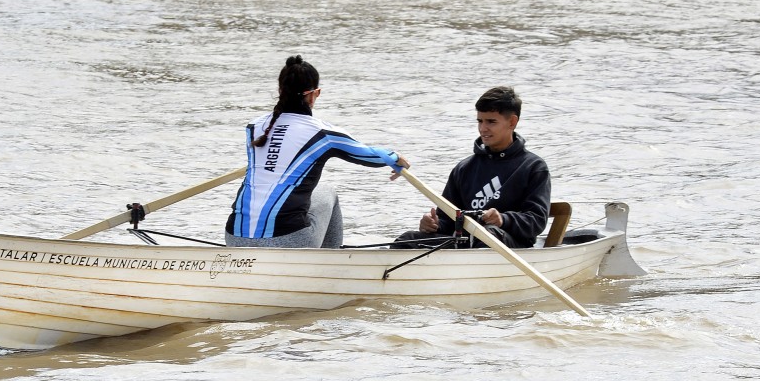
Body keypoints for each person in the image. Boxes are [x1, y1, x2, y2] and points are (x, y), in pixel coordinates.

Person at [226, 55, 410, 249]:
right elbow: (368, 155)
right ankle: (330, 265)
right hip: (289, 240)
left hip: (234, 238)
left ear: (280, 90)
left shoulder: (254, 128)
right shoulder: (323, 134)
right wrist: (395, 158)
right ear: (314, 94)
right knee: (328, 193)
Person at [394, 86, 550, 249]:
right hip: (465, 245)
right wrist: (434, 224)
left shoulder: (533, 167)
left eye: (491, 121)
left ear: (512, 122)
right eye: (480, 121)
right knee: (407, 239)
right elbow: (447, 221)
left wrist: (503, 219)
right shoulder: (464, 168)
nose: (483, 128)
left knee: (487, 234)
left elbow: (537, 220)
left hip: (510, 245)